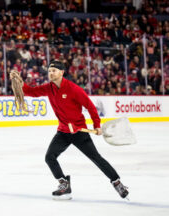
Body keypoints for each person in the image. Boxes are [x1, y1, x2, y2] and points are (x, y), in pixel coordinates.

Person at [10, 61, 129, 200]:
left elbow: (90, 107)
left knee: (96, 158)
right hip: (63, 132)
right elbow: (31, 92)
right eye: (49, 71)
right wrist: (18, 82)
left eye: (54, 70)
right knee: (49, 157)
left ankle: (117, 183)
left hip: (79, 132)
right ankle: (64, 184)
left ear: (62, 72)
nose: (51, 73)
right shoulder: (49, 88)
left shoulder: (73, 89)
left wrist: (97, 125)